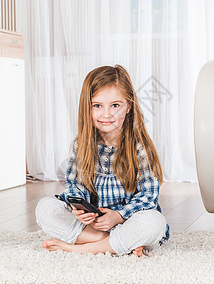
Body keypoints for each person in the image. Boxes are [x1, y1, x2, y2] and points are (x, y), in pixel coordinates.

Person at [35, 65, 170, 257]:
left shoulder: (139, 147)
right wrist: (79, 209)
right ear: (87, 108)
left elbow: (149, 195)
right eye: (97, 105)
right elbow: (75, 187)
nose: (106, 114)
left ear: (129, 106)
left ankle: (76, 247)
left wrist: (118, 216)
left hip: (127, 221)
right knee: (45, 209)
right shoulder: (80, 146)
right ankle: (115, 244)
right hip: (94, 225)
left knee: (154, 223)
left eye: (115, 105)